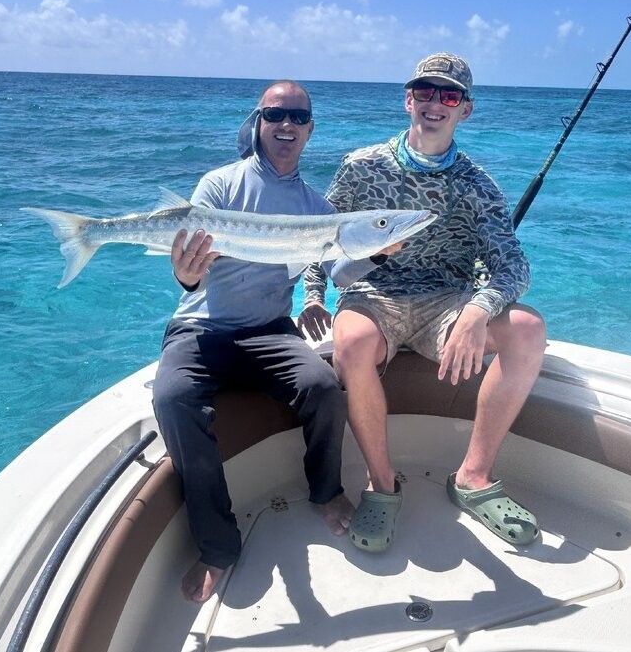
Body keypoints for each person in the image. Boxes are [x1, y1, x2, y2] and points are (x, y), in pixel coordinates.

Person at [301, 53, 547, 552]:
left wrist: (478, 311)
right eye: (426, 92)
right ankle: (382, 483)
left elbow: (513, 266)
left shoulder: (478, 186)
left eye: (449, 95)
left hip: (447, 302)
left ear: (465, 110)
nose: (436, 103)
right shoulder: (361, 166)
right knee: (349, 342)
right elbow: (319, 238)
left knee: (527, 328)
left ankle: (473, 477)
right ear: (408, 99)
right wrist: (311, 294)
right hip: (373, 296)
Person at [152, 80, 379, 604]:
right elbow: (192, 273)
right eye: (275, 114)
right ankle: (217, 546)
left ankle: (326, 492)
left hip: (270, 331)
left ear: (310, 130)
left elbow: (339, 270)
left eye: (298, 117)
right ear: (258, 122)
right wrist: (186, 277)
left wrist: (381, 251)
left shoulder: (316, 207)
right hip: (201, 327)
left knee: (323, 385)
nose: (286, 125)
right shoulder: (219, 184)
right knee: (172, 399)